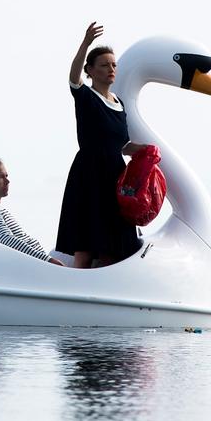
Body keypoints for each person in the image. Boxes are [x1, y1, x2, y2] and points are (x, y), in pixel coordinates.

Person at [56, 22, 145, 269]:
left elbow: (121, 145)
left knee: (112, 248)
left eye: (114, 65)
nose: (111, 69)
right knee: (84, 247)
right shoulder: (85, 96)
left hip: (115, 175)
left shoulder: (119, 103)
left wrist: (142, 151)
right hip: (90, 175)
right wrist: (85, 43)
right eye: (104, 65)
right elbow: (73, 77)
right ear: (91, 70)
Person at [0, 157, 66, 265]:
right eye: (0, 178)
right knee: (81, 250)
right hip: (33, 267)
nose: (7, 181)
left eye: (6, 176)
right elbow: (9, 241)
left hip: (36, 263)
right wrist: (49, 261)